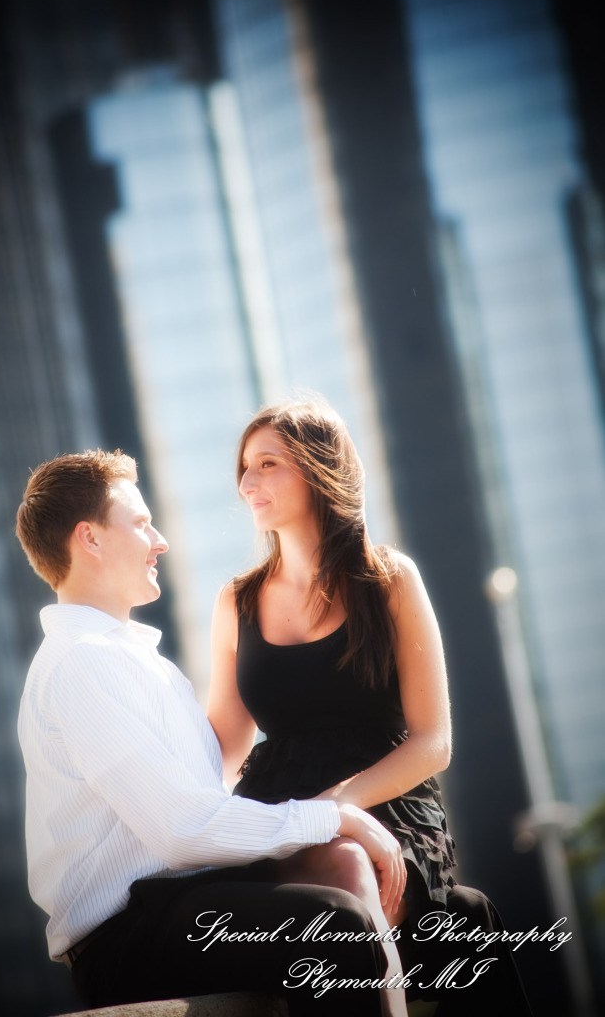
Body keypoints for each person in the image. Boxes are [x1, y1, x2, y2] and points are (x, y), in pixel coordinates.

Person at [15, 447, 413, 1016]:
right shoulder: (81, 664)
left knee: (409, 890)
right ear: (91, 539)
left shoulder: (139, 662)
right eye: (141, 523)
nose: (160, 541)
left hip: (186, 902)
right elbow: (183, 829)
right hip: (127, 937)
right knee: (336, 926)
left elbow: (204, 803)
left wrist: (332, 833)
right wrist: (336, 813)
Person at [209, 398, 534, 1016]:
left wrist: (333, 809)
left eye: (268, 463)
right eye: (244, 467)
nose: (249, 482)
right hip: (276, 807)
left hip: (388, 805)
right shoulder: (236, 601)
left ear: (317, 468)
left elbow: (433, 741)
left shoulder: (389, 579)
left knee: (353, 863)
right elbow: (222, 742)